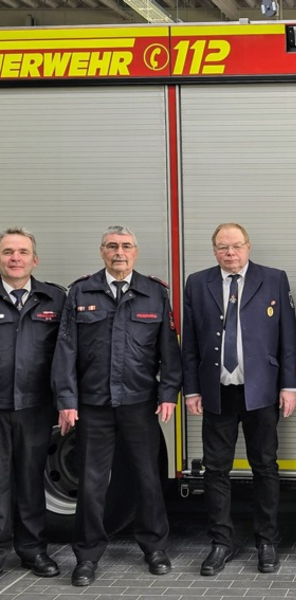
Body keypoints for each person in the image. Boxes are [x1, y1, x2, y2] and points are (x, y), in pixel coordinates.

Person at [52, 226, 182, 586]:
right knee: (93, 484)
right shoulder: (81, 292)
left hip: (139, 404)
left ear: (136, 252)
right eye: (112, 246)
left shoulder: (154, 293)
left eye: (125, 246)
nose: (119, 252)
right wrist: (66, 400)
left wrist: (168, 393)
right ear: (101, 252)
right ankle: (88, 556)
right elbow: (66, 350)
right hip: (93, 406)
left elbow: (168, 350)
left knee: (148, 478)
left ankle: (154, 547)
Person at [182, 223, 296, 576]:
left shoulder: (274, 278)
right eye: (222, 247)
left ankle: (266, 541)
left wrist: (289, 385)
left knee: (265, 466)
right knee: (216, 469)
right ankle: (221, 542)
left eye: (236, 246)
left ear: (248, 247)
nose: (230, 253)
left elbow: (288, 335)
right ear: (214, 251)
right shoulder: (197, 282)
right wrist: (191, 388)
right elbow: (189, 341)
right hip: (217, 392)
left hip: (261, 391)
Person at [0, 228, 64, 578]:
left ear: (34, 260)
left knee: (29, 481)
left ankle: (32, 550)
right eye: (8, 251)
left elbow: (68, 353)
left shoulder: (54, 299)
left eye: (22, 252)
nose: (15, 258)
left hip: (36, 407)